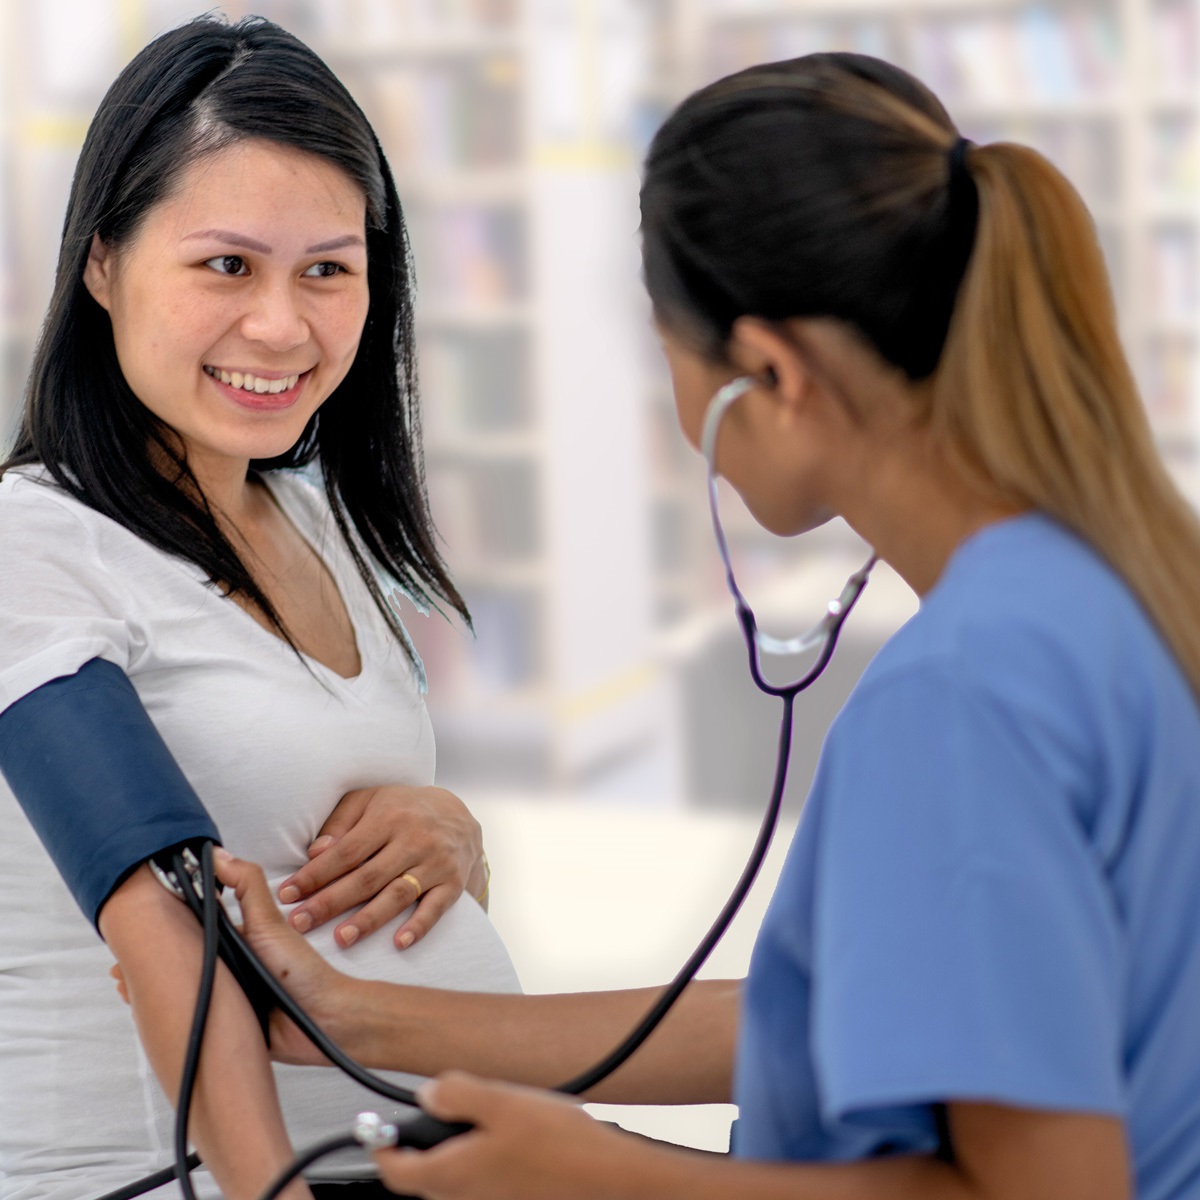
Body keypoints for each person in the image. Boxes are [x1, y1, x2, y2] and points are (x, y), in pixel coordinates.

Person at [214, 51, 1200, 1200]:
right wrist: (351, 1015)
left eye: (671, 358)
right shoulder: (1103, 598)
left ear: (768, 376)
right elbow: (837, 1016)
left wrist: (596, 1175)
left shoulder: (961, 700)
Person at [0, 15, 520, 1200]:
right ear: (101, 263)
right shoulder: (27, 548)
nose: (282, 326)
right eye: (226, 264)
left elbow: (326, 873)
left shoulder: (322, 523)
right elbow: (157, 915)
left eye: (327, 270)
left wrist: (455, 842)